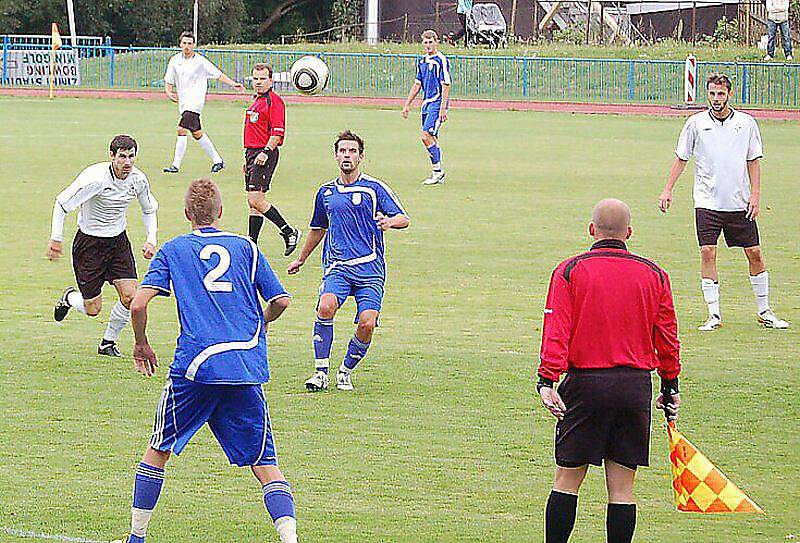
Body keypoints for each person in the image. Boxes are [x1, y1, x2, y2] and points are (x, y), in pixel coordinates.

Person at [112, 178, 297, 543]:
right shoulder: (247, 247)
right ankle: (290, 539)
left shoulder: (174, 249)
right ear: (221, 213)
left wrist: (141, 344)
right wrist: (259, 321)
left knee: (159, 448)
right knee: (265, 464)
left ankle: (136, 538)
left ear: (186, 215)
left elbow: (137, 303)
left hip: (194, 368)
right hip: (244, 366)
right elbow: (281, 301)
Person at [536, 198, 681, 543]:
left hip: (586, 386)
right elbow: (667, 336)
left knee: (567, 480)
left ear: (591, 230)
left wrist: (547, 380)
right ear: (629, 233)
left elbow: (557, 330)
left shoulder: (569, 271)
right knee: (622, 487)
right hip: (634, 388)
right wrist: (670, 384)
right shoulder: (654, 274)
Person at [659, 73, 790, 331]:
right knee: (708, 252)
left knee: (754, 253)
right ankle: (714, 314)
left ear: (729, 94)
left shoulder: (746, 123)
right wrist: (667, 190)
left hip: (739, 202)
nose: (716, 99)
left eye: (721, 94)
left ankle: (764, 310)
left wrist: (755, 194)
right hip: (707, 201)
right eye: (712, 94)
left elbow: (753, 159)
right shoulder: (695, 124)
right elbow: (682, 157)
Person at [288, 131, 409, 392]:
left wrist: (388, 222)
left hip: (370, 270)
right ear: (335, 156)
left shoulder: (374, 189)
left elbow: (404, 218)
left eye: (352, 151)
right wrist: (301, 259)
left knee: (367, 322)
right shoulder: (326, 192)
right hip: (338, 267)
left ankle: (345, 371)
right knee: (326, 306)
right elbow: (318, 229)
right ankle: (320, 372)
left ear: (361, 157)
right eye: (342, 151)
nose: (347, 156)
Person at [48, 135, 158, 357]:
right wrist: (56, 238)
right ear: (112, 156)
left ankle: (108, 342)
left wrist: (151, 238)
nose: (127, 162)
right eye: (122, 157)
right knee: (93, 309)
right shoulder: (95, 179)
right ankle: (70, 297)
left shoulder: (138, 180)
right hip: (89, 245)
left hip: (118, 243)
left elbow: (149, 208)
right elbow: (61, 203)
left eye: (131, 156)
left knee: (130, 298)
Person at [163, 31, 244, 174]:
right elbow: (168, 80)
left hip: (195, 102)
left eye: (190, 43)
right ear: (180, 44)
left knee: (181, 129)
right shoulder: (175, 60)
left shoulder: (200, 61)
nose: (187, 46)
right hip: (183, 103)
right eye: (184, 43)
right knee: (197, 133)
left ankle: (175, 165)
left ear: (194, 45)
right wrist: (169, 92)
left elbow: (217, 74)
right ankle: (218, 161)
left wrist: (233, 84)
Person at [244, 62, 301, 256]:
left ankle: (288, 231)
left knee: (256, 199)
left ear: (271, 80)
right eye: (256, 78)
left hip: (264, 153)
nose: (258, 82)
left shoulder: (274, 101)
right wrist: (248, 159)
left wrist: (266, 152)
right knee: (253, 202)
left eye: (262, 79)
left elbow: (277, 131)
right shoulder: (257, 100)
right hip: (252, 153)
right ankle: (252, 244)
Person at [402, 29, 452, 186]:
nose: (428, 45)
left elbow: (446, 84)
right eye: (426, 42)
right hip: (426, 104)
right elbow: (417, 84)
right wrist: (407, 104)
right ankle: (438, 173)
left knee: (425, 136)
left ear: (436, 42)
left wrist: (443, 108)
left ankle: (437, 172)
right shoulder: (422, 61)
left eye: (431, 42)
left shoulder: (441, 60)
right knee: (432, 138)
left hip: (437, 103)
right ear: (422, 44)